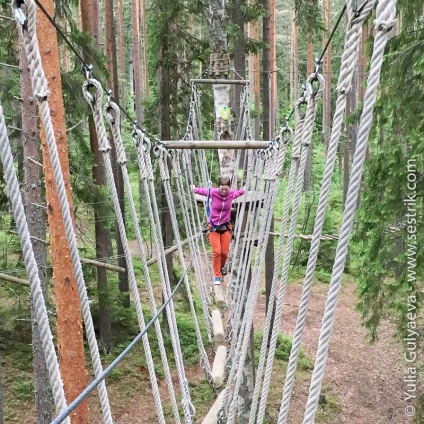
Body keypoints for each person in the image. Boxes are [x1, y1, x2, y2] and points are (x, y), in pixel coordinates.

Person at [193, 177, 245, 284]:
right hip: (213, 227)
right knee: (217, 251)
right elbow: (203, 191)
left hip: (225, 227)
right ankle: (217, 275)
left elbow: (238, 193)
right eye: (222, 189)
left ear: (229, 188)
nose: (224, 192)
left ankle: (220, 269)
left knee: (225, 253)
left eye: (226, 189)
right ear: (218, 187)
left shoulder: (231, 194)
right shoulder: (213, 192)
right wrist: (194, 189)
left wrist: (243, 190)